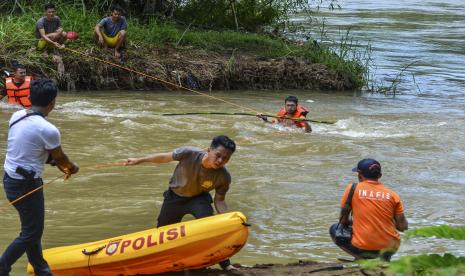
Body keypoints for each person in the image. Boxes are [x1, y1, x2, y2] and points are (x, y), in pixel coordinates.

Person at [0, 79, 79, 275]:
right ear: (52, 103)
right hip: (26, 184)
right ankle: (2, 266)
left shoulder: (17, 115)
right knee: (32, 232)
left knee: (31, 228)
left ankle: (42, 269)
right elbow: (60, 158)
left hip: (10, 179)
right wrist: (71, 167)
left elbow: (30, 149)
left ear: (29, 97)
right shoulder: (49, 129)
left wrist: (54, 162)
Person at [125, 135, 238, 272]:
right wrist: (140, 160)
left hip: (198, 198)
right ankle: (158, 263)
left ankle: (225, 264)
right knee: (162, 234)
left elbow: (219, 200)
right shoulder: (189, 153)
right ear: (209, 150)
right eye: (218, 155)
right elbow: (165, 157)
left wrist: (228, 220)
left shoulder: (224, 176)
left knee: (210, 228)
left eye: (225, 158)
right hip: (174, 198)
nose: (220, 161)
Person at [329, 159, 408, 261]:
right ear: (380, 176)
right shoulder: (393, 195)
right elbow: (403, 227)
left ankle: (361, 258)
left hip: (363, 248)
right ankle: (384, 259)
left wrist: (359, 222)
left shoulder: (352, 189)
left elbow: (343, 220)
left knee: (334, 228)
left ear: (359, 175)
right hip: (391, 248)